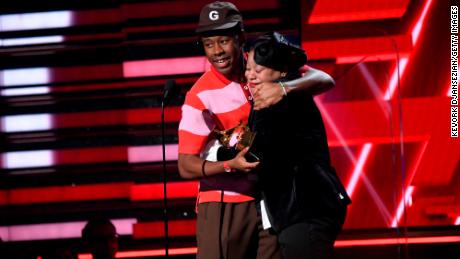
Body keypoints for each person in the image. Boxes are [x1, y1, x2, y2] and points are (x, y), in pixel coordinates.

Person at [178, 2, 334, 258]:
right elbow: (185, 165)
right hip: (225, 203)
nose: (217, 51)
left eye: (224, 41)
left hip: (270, 200)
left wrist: (283, 88)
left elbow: (324, 79)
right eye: (209, 44)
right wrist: (230, 165)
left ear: (240, 37)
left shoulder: (263, 64)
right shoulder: (199, 95)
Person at [244, 32, 351, 259]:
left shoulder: (276, 101)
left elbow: (253, 154)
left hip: (303, 211)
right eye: (248, 68)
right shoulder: (281, 96)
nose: (250, 76)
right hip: (308, 209)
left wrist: (228, 148)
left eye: (258, 70)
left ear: (282, 71)